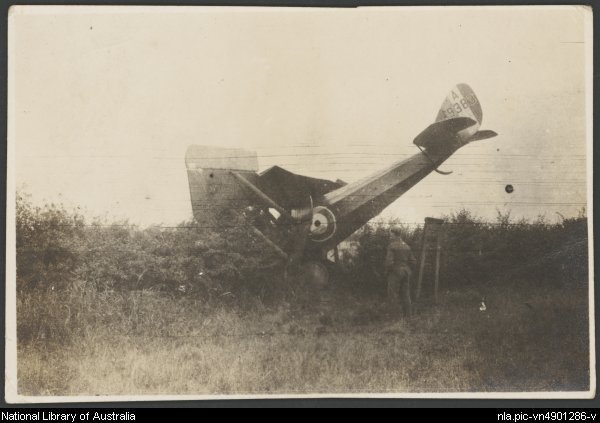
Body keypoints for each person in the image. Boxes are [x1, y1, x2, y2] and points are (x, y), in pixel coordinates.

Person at [385, 227, 416, 317]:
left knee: (392, 295)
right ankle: (408, 316)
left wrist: (388, 271)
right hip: (406, 272)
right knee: (406, 294)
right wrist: (408, 270)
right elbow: (413, 261)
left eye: (391, 233)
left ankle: (393, 317)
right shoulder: (406, 246)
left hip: (395, 272)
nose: (390, 235)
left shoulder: (392, 246)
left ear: (395, 234)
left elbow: (389, 262)